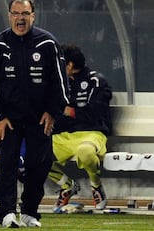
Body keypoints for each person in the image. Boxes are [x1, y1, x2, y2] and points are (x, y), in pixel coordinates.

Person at [0, 0, 70, 228]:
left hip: (40, 118)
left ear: (33, 15)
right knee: (7, 163)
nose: (20, 19)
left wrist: (53, 111)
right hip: (9, 119)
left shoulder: (48, 43)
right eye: (15, 13)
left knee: (39, 165)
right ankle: (6, 213)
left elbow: (61, 83)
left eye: (25, 14)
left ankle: (30, 212)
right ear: (9, 15)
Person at [49, 44, 112, 212]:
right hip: (65, 136)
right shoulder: (59, 84)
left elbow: (95, 114)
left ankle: (96, 186)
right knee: (34, 150)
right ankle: (66, 185)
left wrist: (72, 112)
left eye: (60, 63)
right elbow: (57, 113)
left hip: (92, 134)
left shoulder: (96, 81)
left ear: (69, 65)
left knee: (86, 152)